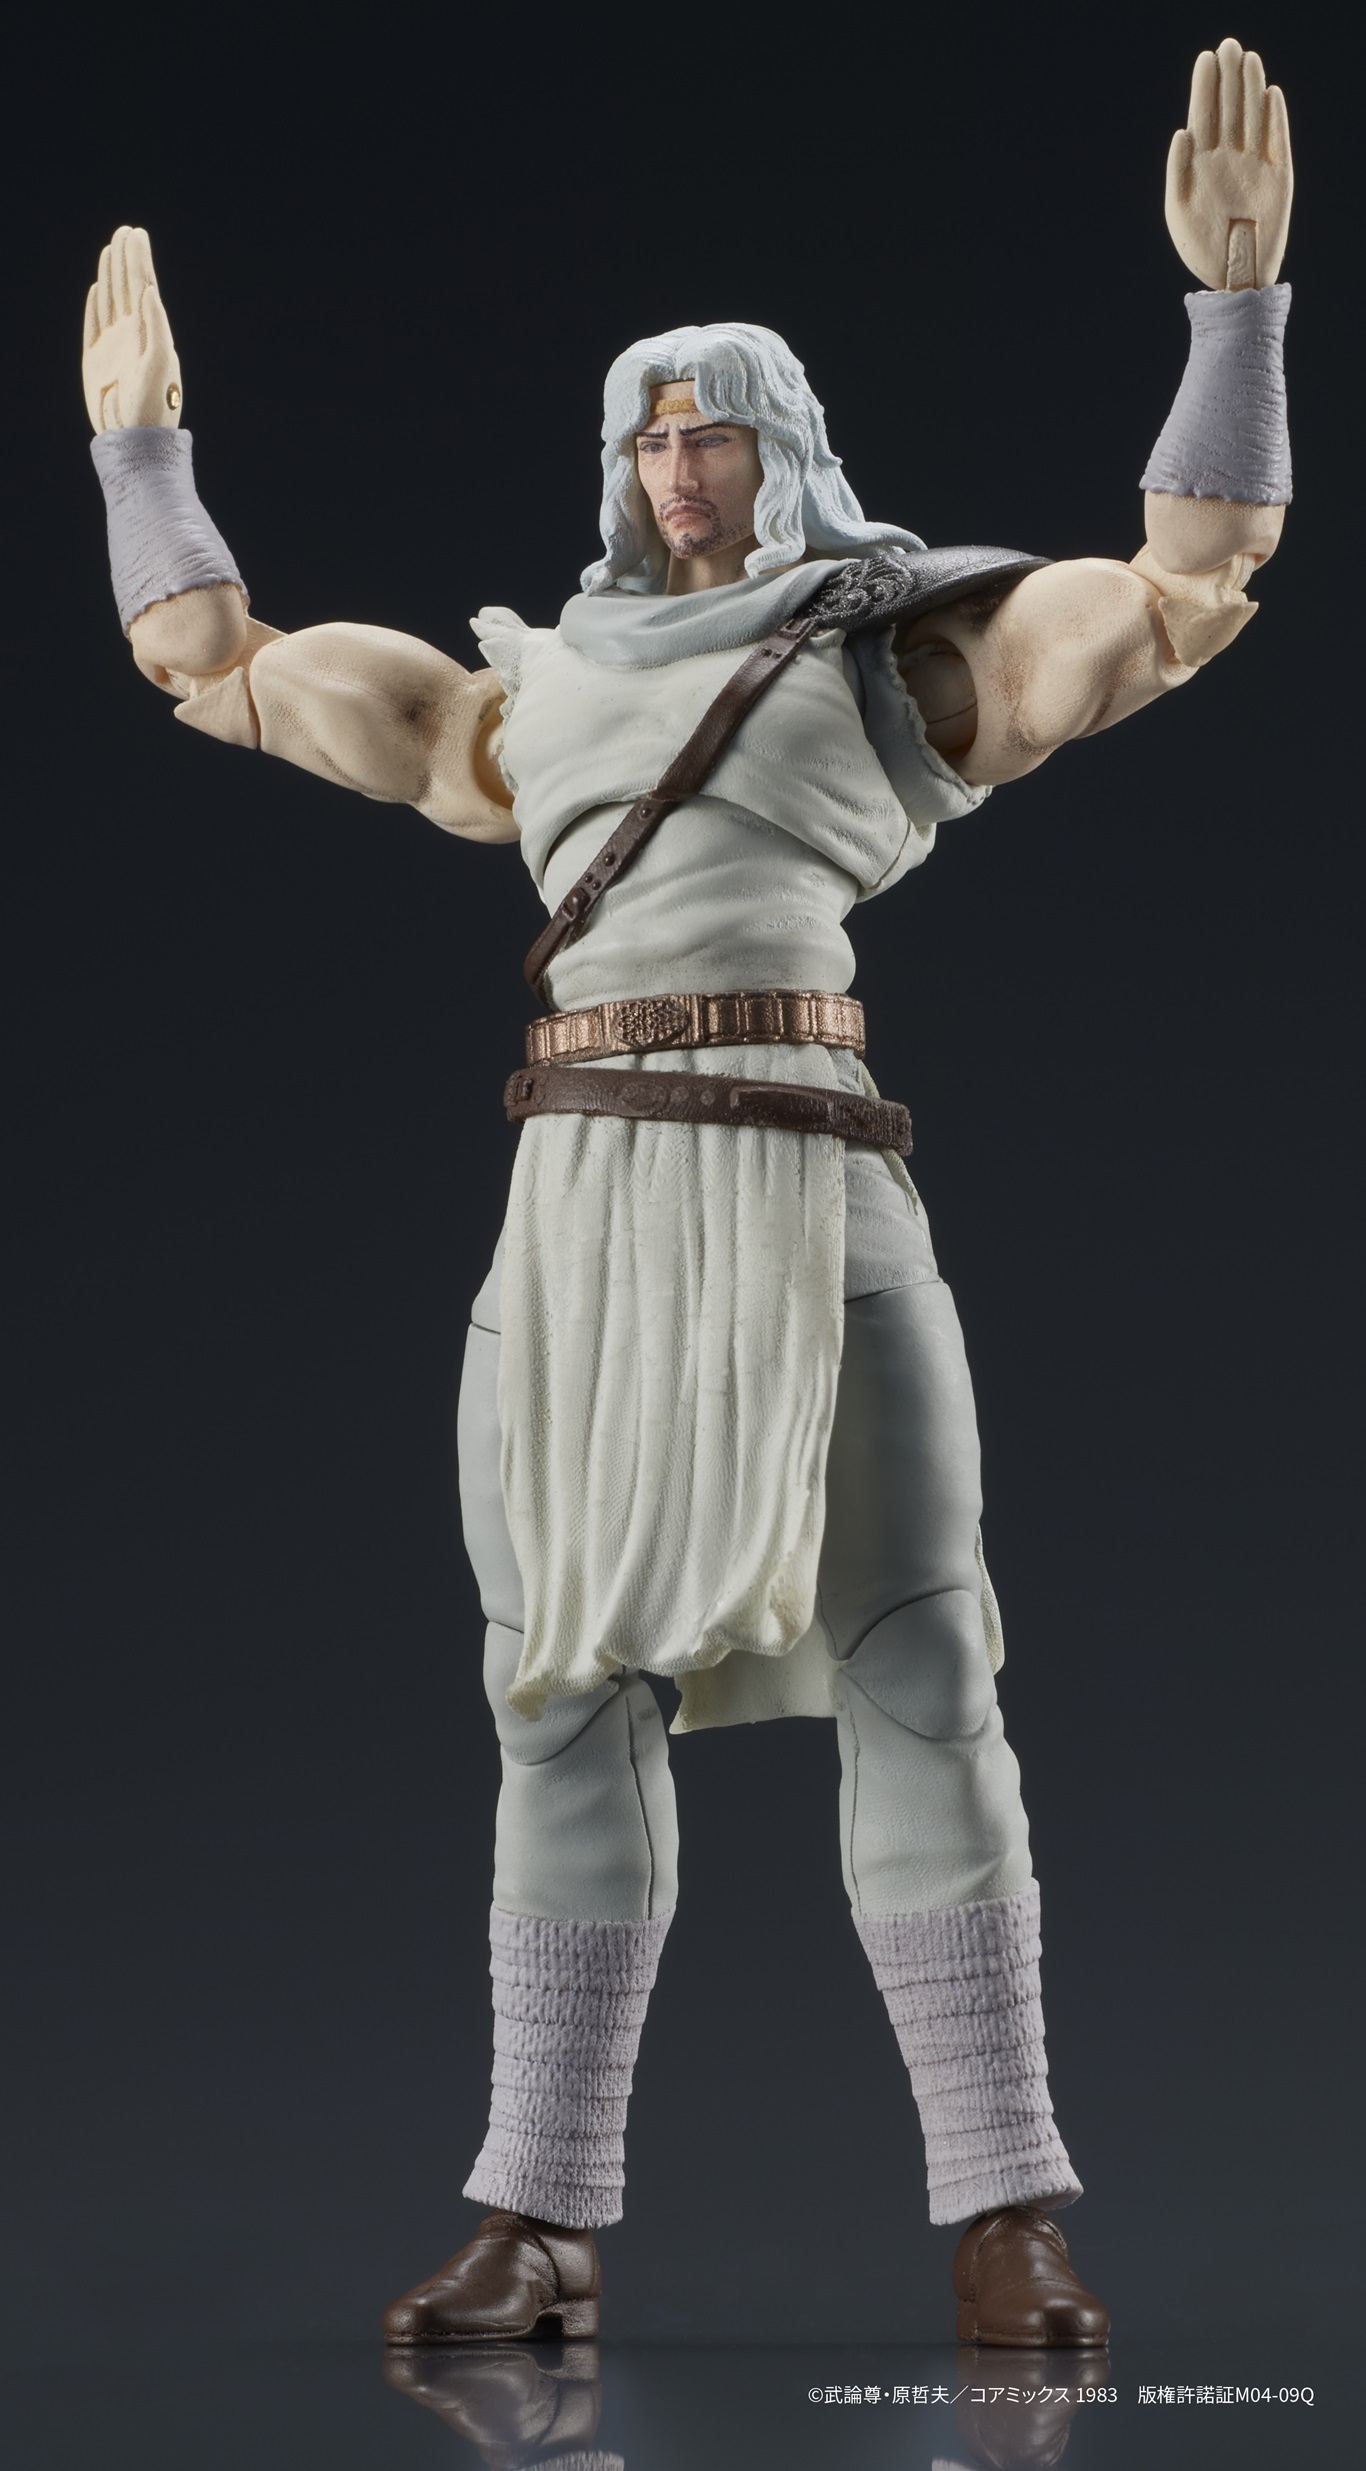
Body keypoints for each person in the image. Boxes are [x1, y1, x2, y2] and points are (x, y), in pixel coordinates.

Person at [83, 37, 1292, 2346]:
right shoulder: (526, 695)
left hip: (810, 1191)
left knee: (922, 1663)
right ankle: (538, 2219)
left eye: (708, 425)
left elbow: (1176, 588)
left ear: (781, 444)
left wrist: (1229, 316)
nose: (672, 460)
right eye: (643, 430)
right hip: (580, 1219)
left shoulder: (887, 651)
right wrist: (144, 454)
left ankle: (1003, 2205)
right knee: (554, 1689)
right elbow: (215, 667)